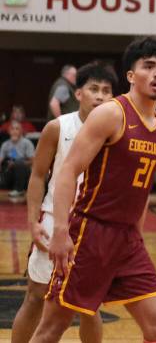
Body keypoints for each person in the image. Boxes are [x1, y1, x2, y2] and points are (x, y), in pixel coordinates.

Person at [30, 37, 156, 343]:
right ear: (131, 76)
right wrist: (60, 230)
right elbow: (68, 171)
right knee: (51, 329)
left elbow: (143, 190)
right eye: (148, 66)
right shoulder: (111, 113)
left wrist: (137, 235)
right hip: (90, 235)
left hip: (128, 241)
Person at [11, 62, 114, 343]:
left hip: (93, 226)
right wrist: (32, 223)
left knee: (90, 308)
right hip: (54, 221)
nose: (101, 96)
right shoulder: (57, 127)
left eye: (106, 91)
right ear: (78, 93)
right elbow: (37, 177)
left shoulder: (117, 133)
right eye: (94, 89)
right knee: (35, 297)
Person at [1, 121, 35, 197]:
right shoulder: (5, 144)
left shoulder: (27, 143)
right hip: (10, 170)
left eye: (17, 129)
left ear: (21, 131)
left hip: (24, 171)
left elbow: (33, 161)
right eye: (12, 129)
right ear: (9, 131)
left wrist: (16, 164)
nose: (14, 131)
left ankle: (19, 190)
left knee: (19, 163)